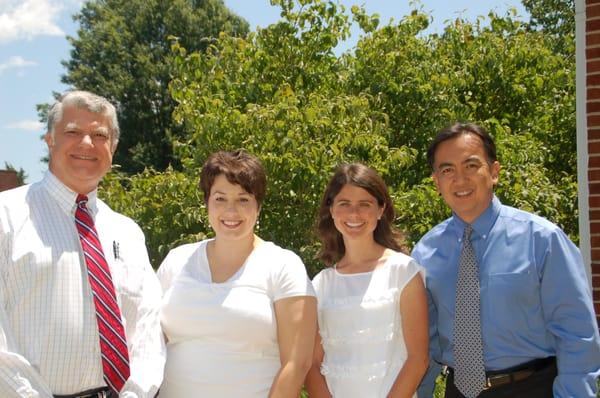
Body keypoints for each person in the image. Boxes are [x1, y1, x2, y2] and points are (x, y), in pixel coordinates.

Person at [412, 122, 600, 398]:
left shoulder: (542, 240)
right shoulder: (425, 253)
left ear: (494, 172)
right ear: (436, 182)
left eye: (471, 165)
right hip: (459, 391)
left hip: (533, 387)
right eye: (447, 170)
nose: (460, 179)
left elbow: (577, 334)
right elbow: (424, 343)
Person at [0, 90, 166, 397]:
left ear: (113, 147)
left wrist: (135, 394)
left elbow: (148, 325)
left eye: (99, 135)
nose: (87, 143)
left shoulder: (127, 232)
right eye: (73, 132)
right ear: (49, 140)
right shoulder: (5, 217)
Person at [157, 149, 317, 397]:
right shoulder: (176, 260)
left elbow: (297, 364)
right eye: (220, 199)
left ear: (258, 206)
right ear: (207, 202)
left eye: (243, 199)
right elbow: (150, 344)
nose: (231, 211)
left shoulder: (283, 266)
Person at [305, 163, 429, 398]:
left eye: (365, 204)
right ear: (331, 210)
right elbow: (312, 364)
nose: (354, 214)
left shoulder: (404, 272)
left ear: (381, 209)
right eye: (344, 204)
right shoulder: (320, 284)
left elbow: (418, 359)